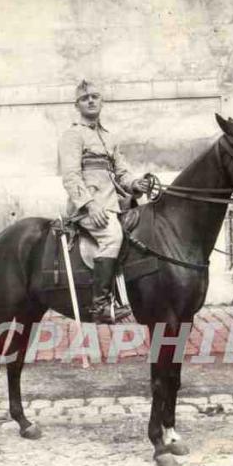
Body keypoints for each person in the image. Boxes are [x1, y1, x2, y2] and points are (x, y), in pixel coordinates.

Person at [59, 80, 149, 323]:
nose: (90, 101)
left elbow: (122, 172)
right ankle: (100, 305)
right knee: (112, 236)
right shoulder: (73, 134)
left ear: (102, 101)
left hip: (113, 204)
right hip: (88, 207)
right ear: (76, 104)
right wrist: (89, 204)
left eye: (95, 97)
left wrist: (134, 184)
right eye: (85, 98)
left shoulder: (109, 138)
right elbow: (70, 175)